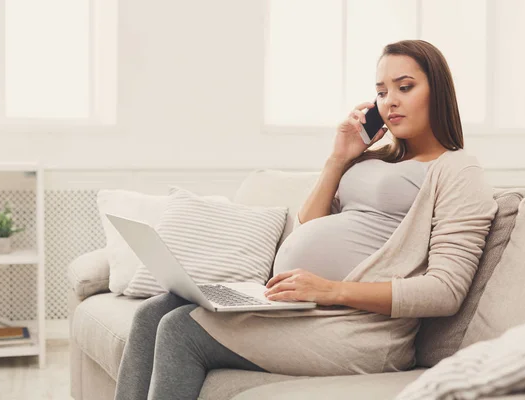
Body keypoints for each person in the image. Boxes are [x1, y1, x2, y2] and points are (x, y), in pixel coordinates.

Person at [114, 39, 498, 400]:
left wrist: (330, 290)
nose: (390, 102)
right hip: (299, 306)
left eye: (405, 87)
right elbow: (309, 228)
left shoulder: (458, 170)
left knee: (181, 331)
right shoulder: (374, 157)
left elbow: (445, 291)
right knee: (156, 311)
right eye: (381, 92)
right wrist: (339, 157)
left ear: (439, 91)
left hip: (360, 331)